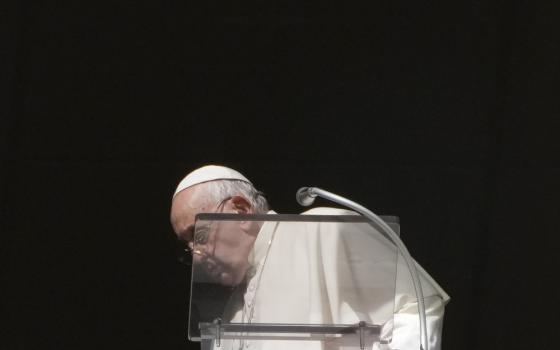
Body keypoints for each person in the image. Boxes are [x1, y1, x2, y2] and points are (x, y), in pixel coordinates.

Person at [170, 165, 450, 350]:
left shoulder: (322, 230)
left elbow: (417, 311)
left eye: (199, 234)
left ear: (241, 210)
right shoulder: (228, 312)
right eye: (187, 245)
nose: (195, 254)